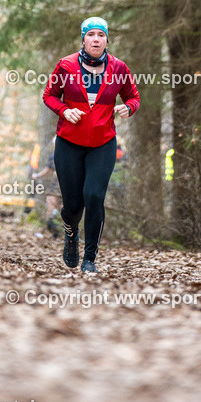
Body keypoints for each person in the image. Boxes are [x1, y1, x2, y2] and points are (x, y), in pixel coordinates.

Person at [42, 15, 140, 273]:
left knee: (94, 196)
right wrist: (64, 111)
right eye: (91, 35)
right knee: (73, 205)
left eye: (101, 35)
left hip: (102, 143)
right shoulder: (66, 66)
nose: (96, 39)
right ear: (83, 39)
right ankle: (71, 234)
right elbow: (49, 95)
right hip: (69, 143)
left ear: (107, 39)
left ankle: (89, 259)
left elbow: (133, 97)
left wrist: (129, 107)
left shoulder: (119, 68)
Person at [32, 136, 62, 236]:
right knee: (50, 202)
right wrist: (38, 175)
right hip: (56, 184)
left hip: (68, 184)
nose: (55, 145)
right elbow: (48, 169)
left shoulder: (71, 154)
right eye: (54, 144)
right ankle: (50, 227)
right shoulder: (53, 155)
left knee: (64, 207)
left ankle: (63, 229)